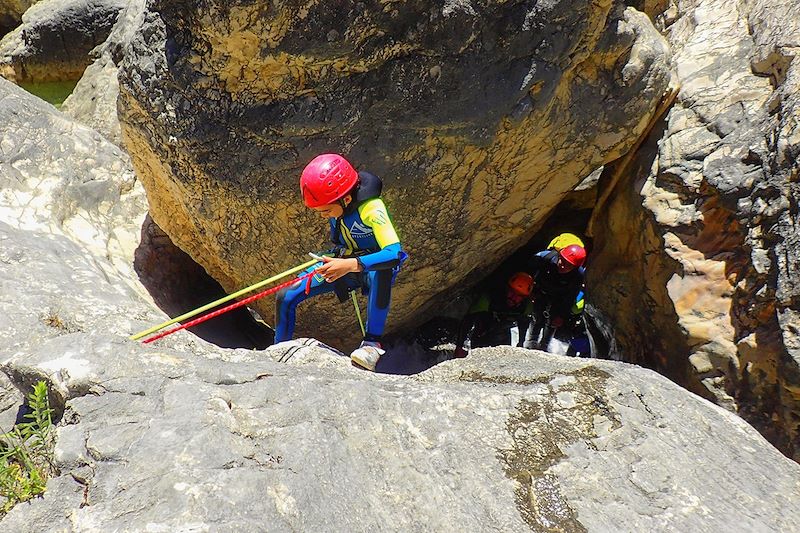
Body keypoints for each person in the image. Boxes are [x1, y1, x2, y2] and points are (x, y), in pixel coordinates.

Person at [274, 154, 406, 371]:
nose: (323, 216)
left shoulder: (372, 208)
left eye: (325, 210)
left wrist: (348, 265)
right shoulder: (338, 207)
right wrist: (337, 260)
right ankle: (278, 351)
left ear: (345, 199)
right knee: (285, 295)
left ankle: (372, 344)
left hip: (371, 265)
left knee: (382, 271)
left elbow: (393, 253)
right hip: (344, 262)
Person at [453, 272, 534, 358]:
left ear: (524, 297)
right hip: (482, 333)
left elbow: (523, 324)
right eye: (512, 292)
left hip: (503, 334)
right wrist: (459, 347)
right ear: (507, 289)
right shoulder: (489, 298)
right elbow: (468, 321)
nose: (513, 298)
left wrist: (521, 343)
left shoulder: (526, 306)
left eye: (519, 296)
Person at [524, 242, 587, 351]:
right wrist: (530, 291)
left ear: (575, 267)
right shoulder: (544, 258)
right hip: (541, 291)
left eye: (569, 265)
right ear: (559, 255)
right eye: (563, 260)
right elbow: (527, 271)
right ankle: (531, 341)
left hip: (559, 298)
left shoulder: (578, 275)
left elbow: (570, 297)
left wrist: (562, 315)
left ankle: (545, 344)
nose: (563, 266)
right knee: (537, 315)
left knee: (554, 320)